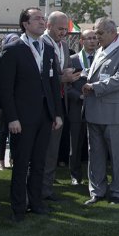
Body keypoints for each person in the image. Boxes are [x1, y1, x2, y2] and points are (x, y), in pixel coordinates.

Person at [0, 8, 63, 222]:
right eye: (37, 18)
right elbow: (5, 89)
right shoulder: (13, 49)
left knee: (39, 162)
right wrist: (12, 118)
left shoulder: (47, 47)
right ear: (25, 24)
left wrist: (57, 113)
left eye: (43, 18)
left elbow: (53, 84)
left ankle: (36, 202)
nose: (42, 21)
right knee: (21, 162)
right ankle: (18, 207)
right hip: (22, 118)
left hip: (45, 116)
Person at [81, 18, 119, 205]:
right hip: (95, 111)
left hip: (115, 114)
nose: (97, 37)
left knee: (118, 156)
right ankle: (97, 191)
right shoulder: (101, 49)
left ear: (113, 32)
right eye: (95, 33)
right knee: (95, 155)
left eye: (100, 33)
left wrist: (94, 86)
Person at [39, 12, 77, 201]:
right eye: (60, 29)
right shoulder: (40, 44)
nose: (63, 33)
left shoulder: (63, 46)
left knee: (53, 150)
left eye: (65, 29)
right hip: (44, 105)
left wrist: (68, 77)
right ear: (48, 25)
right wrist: (62, 78)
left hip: (61, 103)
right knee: (42, 150)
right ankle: (38, 189)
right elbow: (41, 78)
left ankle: (46, 189)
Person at [67, 29, 98, 186]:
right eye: (88, 38)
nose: (92, 41)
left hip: (97, 107)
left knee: (96, 143)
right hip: (77, 108)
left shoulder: (101, 58)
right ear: (81, 41)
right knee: (76, 144)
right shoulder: (72, 60)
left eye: (94, 38)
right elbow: (66, 86)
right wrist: (78, 96)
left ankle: (96, 175)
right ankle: (75, 175)